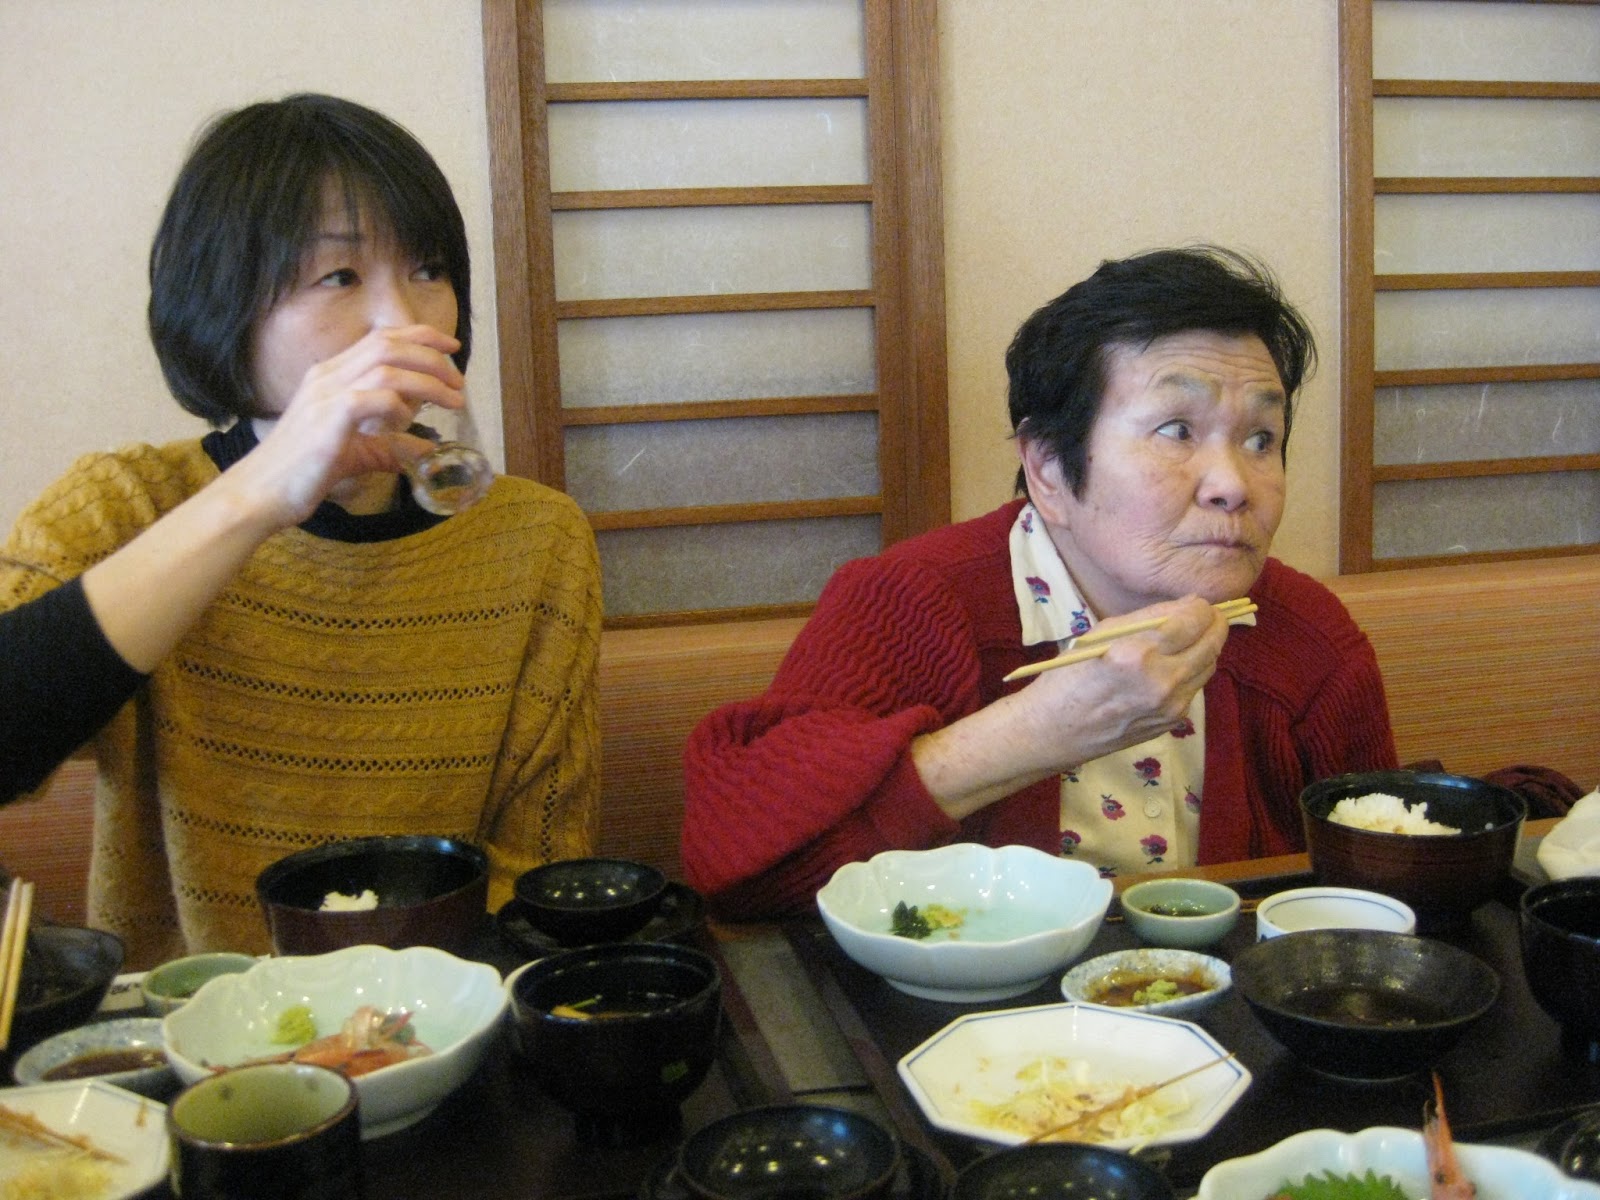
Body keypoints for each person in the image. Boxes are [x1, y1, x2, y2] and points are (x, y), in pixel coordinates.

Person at [0, 94, 602, 966]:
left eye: (429, 269)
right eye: (340, 276)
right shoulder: (124, 508)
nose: (405, 322)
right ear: (224, 307)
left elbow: (538, 881)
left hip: (451, 1015)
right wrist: (256, 497)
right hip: (194, 1028)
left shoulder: (535, 540)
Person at [681, 246, 1398, 917]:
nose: (1233, 485)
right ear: (1049, 468)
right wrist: (1039, 731)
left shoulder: (1308, 638)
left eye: (1260, 439)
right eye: (1177, 430)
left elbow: (1382, 878)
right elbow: (737, 869)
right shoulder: (910, 602)